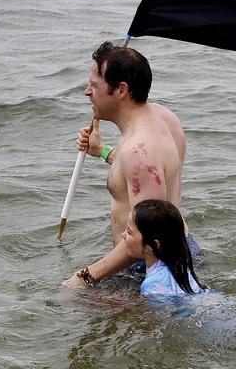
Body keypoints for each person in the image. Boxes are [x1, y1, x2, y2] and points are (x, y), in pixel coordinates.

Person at [63, 42, 191, 289]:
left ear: (121, 90)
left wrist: (85, 277)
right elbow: (147, 174)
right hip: (179, 253)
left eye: (94, 85)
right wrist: (103, 152)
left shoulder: (137, 151)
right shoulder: (164, 117)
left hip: (148, 268)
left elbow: (148, 236)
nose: (87, 92)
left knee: (66, 302)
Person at [96, 199, 208, 298]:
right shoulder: (181, 267)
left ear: (152, 246)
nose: (123, 234)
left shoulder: (151, 287)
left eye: (129, 232)